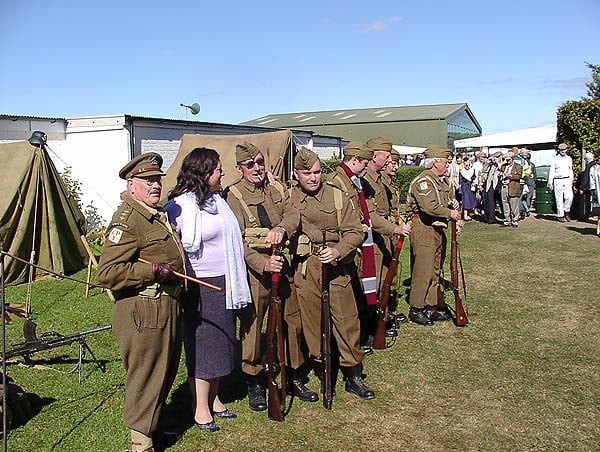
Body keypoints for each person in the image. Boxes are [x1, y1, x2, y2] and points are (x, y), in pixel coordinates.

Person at [98, 152, 185, 452]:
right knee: (145, 374)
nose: (155, 186)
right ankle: (140, 442)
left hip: (166, 305)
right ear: (131, 184)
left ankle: (153, 426)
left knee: (164, 370)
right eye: (147, 181)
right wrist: (151, 270)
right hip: (143, 309)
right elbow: (108, 273)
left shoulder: (155, 214)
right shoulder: (128, 219)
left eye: (157, 180)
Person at [224, 142, 317, 411]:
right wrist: (263, 263)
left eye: (260, 163)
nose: (257, 169)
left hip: (283, 266)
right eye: (250, 165)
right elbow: (236, 242)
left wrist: (282, 228)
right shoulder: (234, 196)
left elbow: (293, 214)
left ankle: (293, 373)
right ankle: (254, 381)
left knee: (291, 321)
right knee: (253, 328)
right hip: (256, 273)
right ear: (239, 169)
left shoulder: (276, 188)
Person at [164, 147, 252, 433]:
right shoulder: (179, 206)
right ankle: (199, 407)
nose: (222, 172)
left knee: (223, 342)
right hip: (200, 285)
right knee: (203, 347)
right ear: (204, 173)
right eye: (217, 169)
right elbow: (172, 248)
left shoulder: (217, 201)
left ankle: (214, 399)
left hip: (225, 281)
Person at [290, 147, 375, 399]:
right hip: (307, 270)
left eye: (317, 172)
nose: (313, 178)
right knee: (311, 322)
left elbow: (355, 231)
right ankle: (319, 363)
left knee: (347, 321)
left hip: (337, 268)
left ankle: (352, 374)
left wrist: (338, 250)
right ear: (296, 174)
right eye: (307, 173)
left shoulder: (337, 196)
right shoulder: (289, 198)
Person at [406, 146, 461, 326]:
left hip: (437, 228)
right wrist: (450, 213)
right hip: (424, 227)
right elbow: (429, 207)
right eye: (445, 161)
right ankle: (417, 308)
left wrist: (453, 206)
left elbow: (445, 202)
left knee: (435, 268)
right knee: (423, 269)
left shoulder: (440, 181)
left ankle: (431, 306)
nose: (447, 165)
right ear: (436, 161)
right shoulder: (424, 181)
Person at [548, 143, 574, 222]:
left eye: (564, 149)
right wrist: (550, 182)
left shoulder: (569, 158)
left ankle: (567, 211)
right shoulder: (555, 159)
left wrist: (571, 180)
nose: (563, 151)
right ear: (559, 150)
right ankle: (560, 215)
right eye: (561, 150)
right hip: (558, 180)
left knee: (569, 197)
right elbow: (551, 171)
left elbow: (570, 170)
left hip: (567, 180)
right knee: (559, 198)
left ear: (566, 150)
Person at [499, 152, 523, 227]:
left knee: (514, 205)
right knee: (505, 204)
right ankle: (507, 220)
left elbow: (519, 176)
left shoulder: (518, 166)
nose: (507, 161)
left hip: (513, 187)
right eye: (506, 160)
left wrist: (510, 175)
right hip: (504, 186)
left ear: (512, 159)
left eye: (508, 159)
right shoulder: (503, 166)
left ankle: (515, 220)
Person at [478, 151, 503, 224]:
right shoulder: (491, 165)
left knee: (500, 201)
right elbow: (484, 169)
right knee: (490, 201)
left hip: (498, 184)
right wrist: (488, 162)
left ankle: (504, 215)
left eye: (498, 157)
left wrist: (497, 163)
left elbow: (501, 168)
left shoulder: (502, 163)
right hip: (490, 184)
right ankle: (490, 217)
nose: (497, 158)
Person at [579, 152, 598, 221]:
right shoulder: (597, 165)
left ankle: (585, 216)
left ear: (587, 159)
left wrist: (582, 187)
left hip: (588, 187)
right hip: (596, 187)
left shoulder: (589, 166)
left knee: (587, 202)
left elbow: (586, 177)